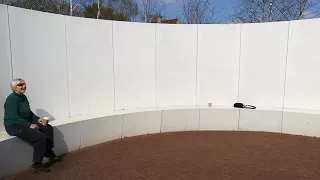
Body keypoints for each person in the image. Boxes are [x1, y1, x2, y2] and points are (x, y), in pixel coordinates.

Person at [3, 78, 62, 173]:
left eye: (24, 84)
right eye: (20, 85)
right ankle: (37, 164)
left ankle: (47, 151)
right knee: (40, 137)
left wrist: (37, 119)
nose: (23, 86)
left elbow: (29, 112)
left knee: (48, 128)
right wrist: (29, 125)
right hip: (14, 126)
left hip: (25, 123)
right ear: (14, 88)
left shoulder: (23, 97)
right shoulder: (11, 99)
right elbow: (13, 117)